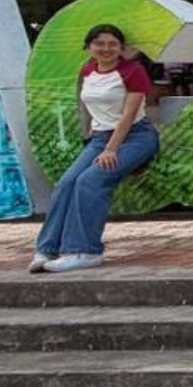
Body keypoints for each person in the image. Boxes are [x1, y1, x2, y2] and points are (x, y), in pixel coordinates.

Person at [30, 24, 162, 273]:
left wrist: (111, 149)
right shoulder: (88, 70)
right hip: (100, 137)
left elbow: (127, 115)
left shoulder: (133, 71)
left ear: (121, 48)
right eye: (99, 43)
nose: (106, 49)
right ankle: (47, 249)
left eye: (113, 44)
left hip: (136, 137)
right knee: (67, 183)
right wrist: (94, 129)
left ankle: (85, 251)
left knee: (90, 181)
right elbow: (92, 103)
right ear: (89, 47)